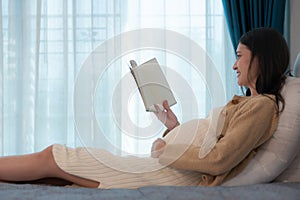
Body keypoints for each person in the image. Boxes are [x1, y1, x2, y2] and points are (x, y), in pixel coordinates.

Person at [0, 27, 289, 188]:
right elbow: (213, 143)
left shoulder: (262, 108)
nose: (234, 64)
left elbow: (219, 159)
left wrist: (167, 149)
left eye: (240, 56)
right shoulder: (248, 103)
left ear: (261, 59)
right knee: (53, 174)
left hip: (166, 174)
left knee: (55, 156)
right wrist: (173, 127)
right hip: (163, 167)